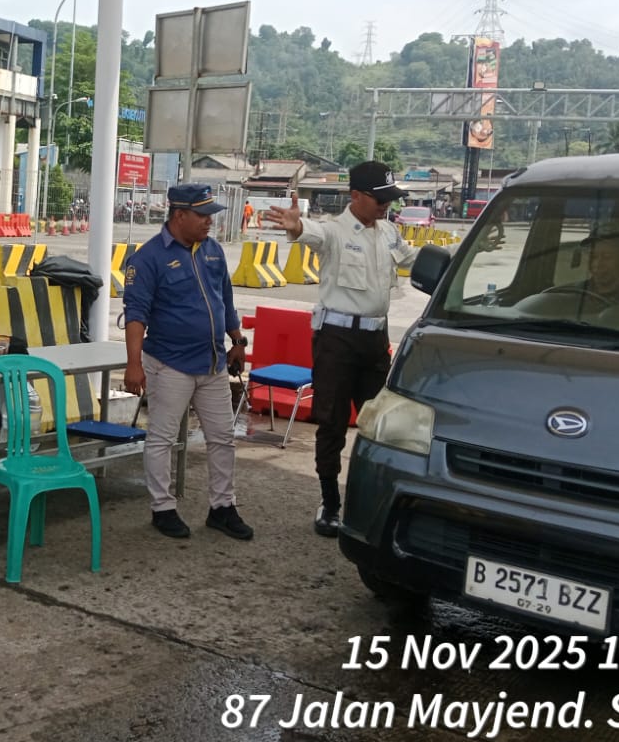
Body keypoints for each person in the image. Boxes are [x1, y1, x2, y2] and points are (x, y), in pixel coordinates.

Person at [263, 161, 416, 538]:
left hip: (375, 342)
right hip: (336, 341)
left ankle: (375, 499)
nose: (386, 205)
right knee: (331, 423)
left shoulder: (389, 232)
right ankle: (330, 502)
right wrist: (296, 225)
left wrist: (466, 255)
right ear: (356, 196)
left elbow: (416, 259)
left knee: (380, 423)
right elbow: (309, 232)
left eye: (389, 198)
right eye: (380, 198)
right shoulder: (334, 231)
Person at [122, 184, 255, 541]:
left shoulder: (212, 250)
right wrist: (133, 364)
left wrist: (237, 340)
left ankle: (222, 507)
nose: (210, 221)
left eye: (211, 214)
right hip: (170, 364)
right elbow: (136, 315)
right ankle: (162, 508)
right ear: (179, 215)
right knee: (162, 438)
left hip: (212, 363)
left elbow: (225, 299)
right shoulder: (148, 258)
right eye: (203, 215)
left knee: (223, 437)